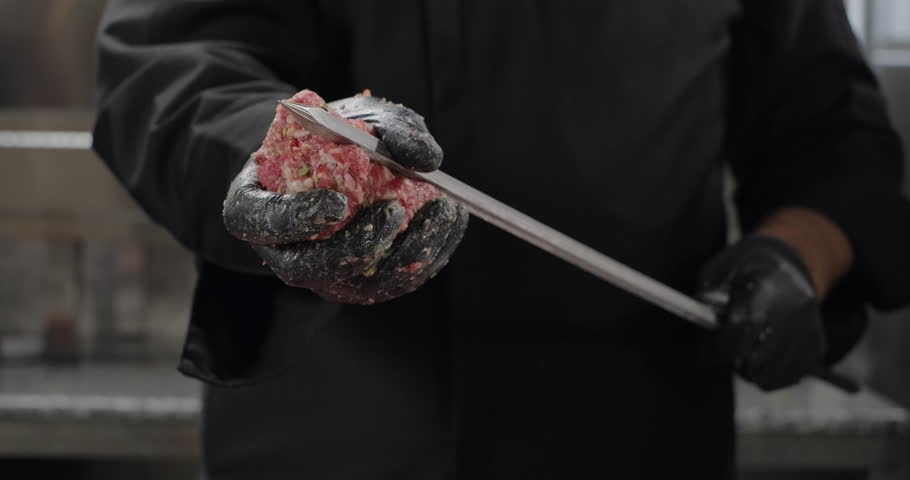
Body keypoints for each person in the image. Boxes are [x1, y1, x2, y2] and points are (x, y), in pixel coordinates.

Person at [92, 1, 910, 478]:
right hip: (329, 423)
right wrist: (294, 167)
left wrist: (797, 256)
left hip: (636, 428)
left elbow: (832, 133)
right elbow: (172, 66)